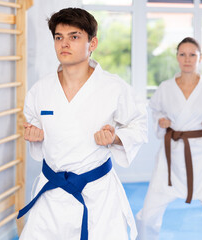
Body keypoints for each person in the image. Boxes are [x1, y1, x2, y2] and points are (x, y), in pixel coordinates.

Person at [17, 8, 148, 240]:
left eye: (74, 37)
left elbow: (139, 124)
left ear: (92, 43)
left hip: (97, 194)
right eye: (59, 37)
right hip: (52, 193)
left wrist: (115, 137)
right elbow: (31, 122)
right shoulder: (40, 89)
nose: (64, 44)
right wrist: (34, 133)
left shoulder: (114, 87)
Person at [135, 37, 202, 240]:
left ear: (200, 58)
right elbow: (154, 109)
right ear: (177, 57)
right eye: (182, 54)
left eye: (192, 55)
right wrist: (160, 120)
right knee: (147, 216)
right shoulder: (165, 87)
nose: (187, 59)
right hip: (170, 156)